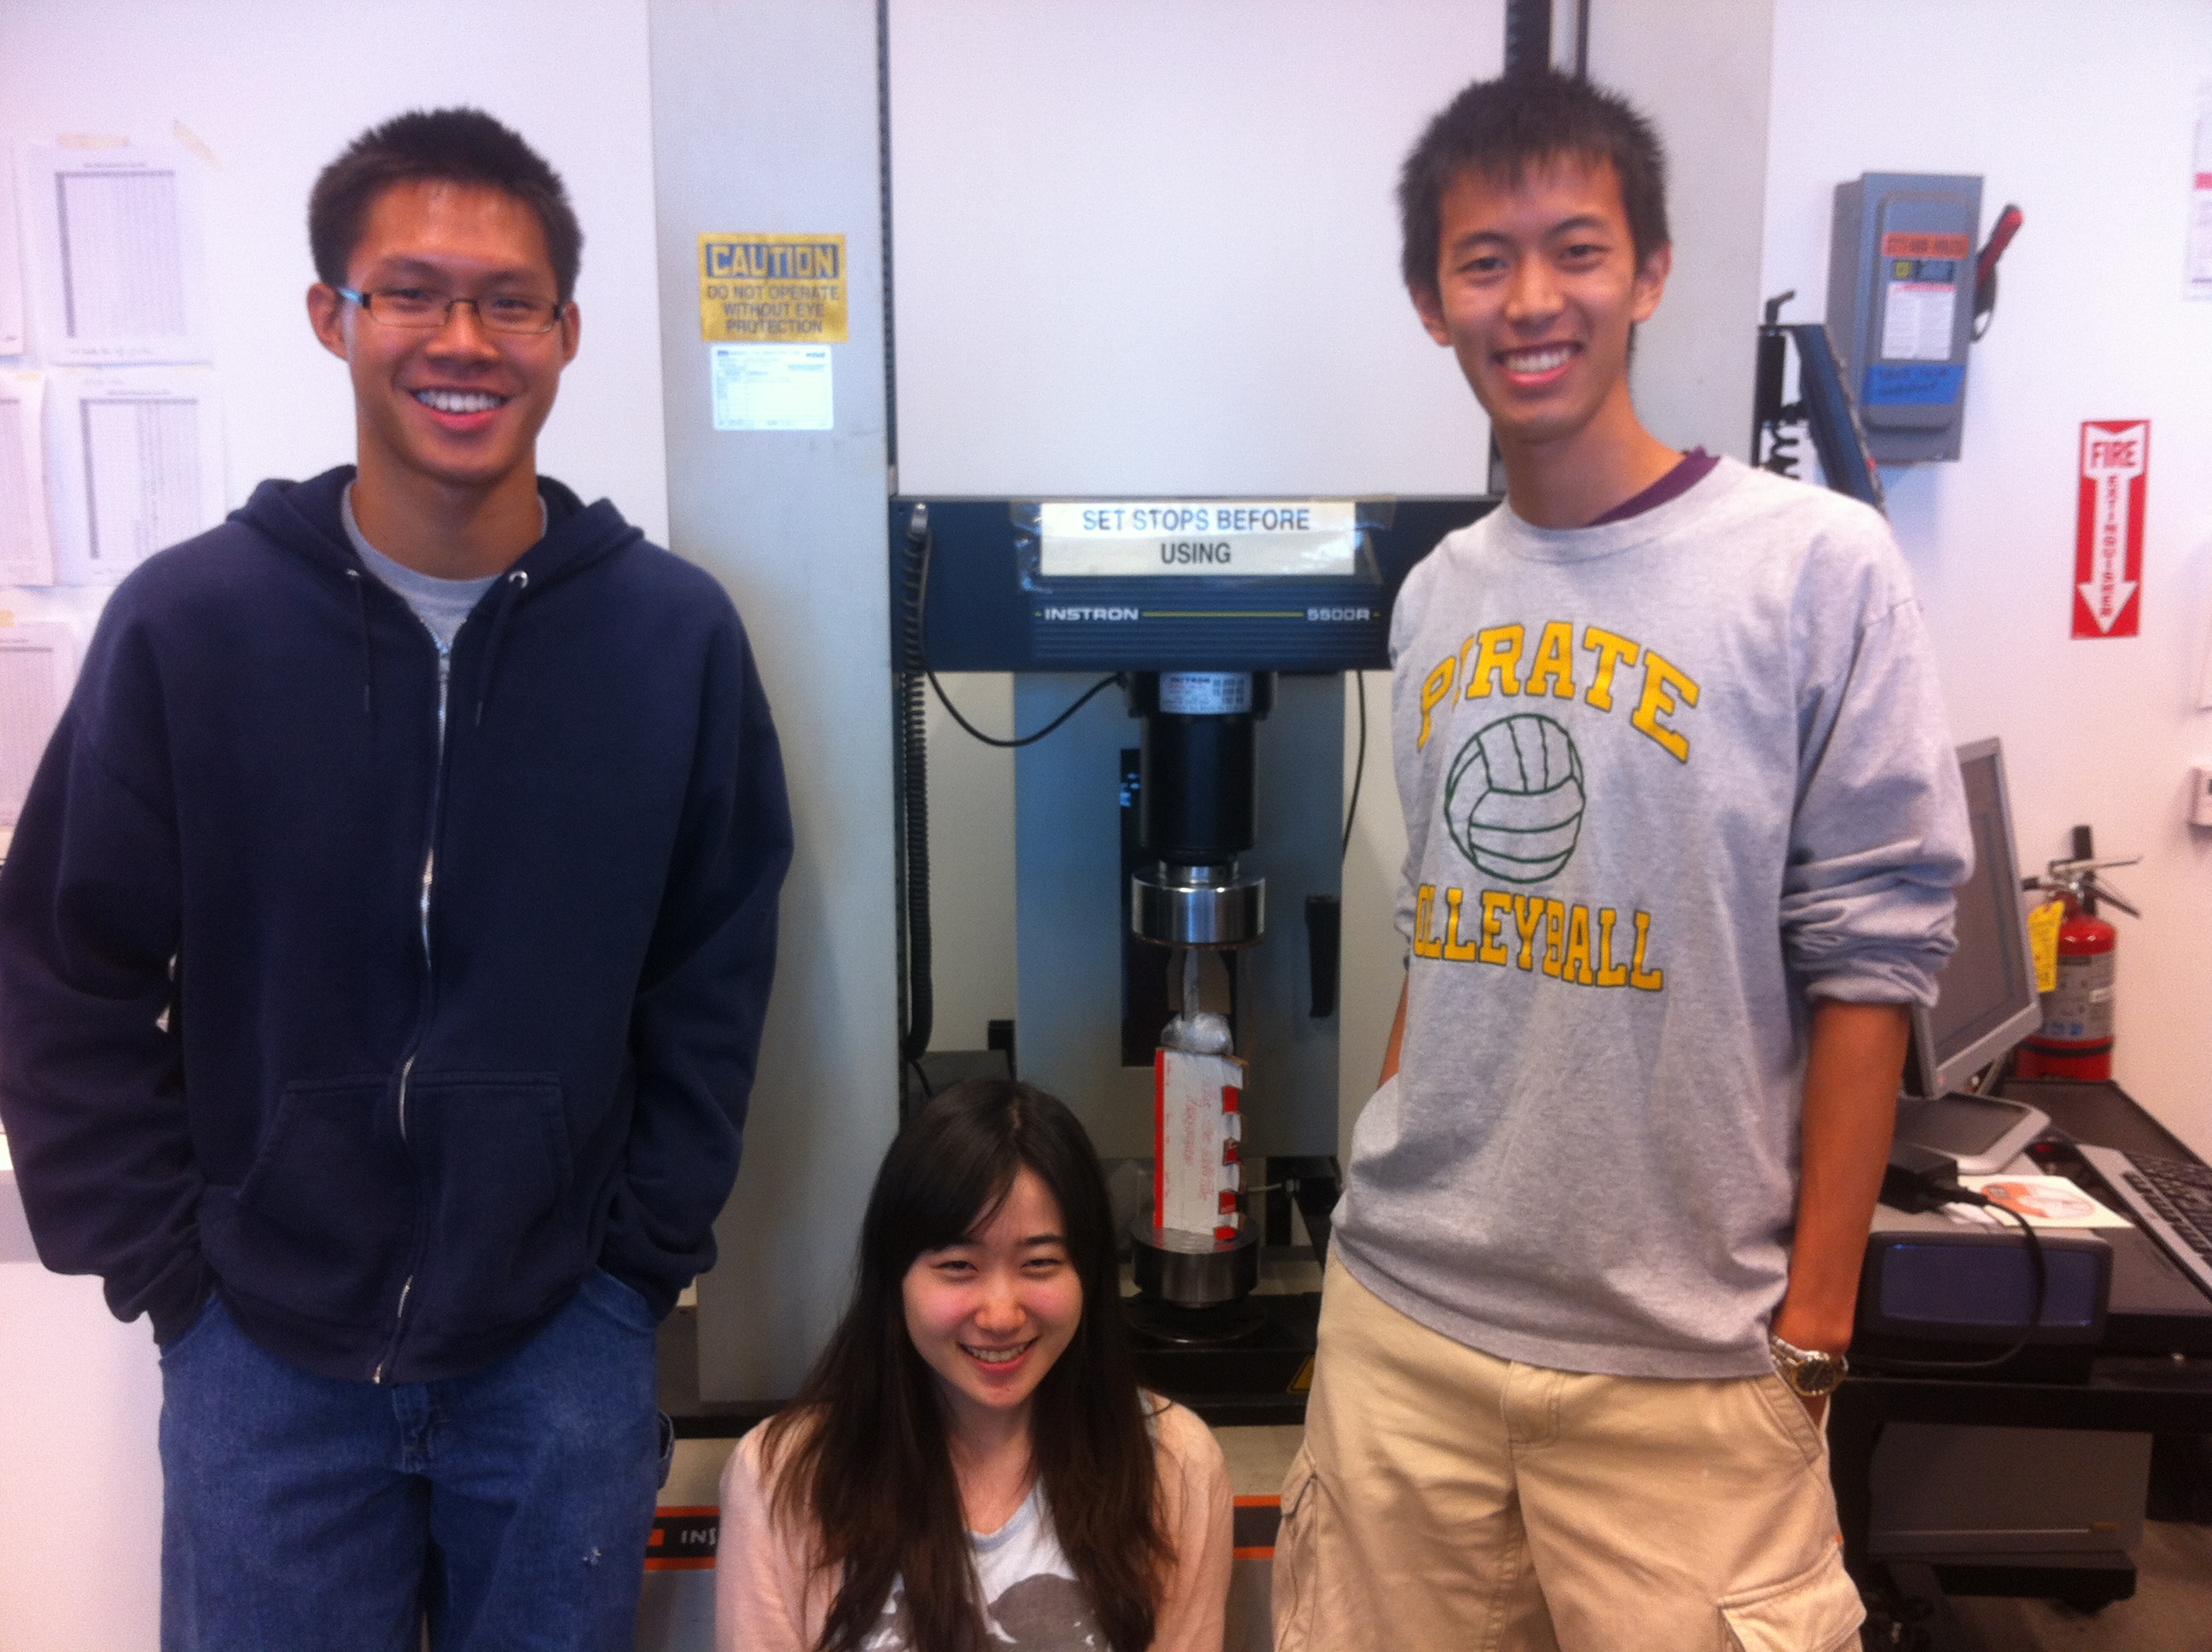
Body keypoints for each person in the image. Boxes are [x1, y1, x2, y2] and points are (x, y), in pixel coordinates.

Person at [0, 108, 791, 1650]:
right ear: (333, 315)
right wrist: (174, 1278)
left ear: (566, 332)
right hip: (261, 1362)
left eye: (509, 301)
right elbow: (62, 969)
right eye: (412, 293)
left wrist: (632, 1274)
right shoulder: (190, 625)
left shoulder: (670, 639)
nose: (463, 341)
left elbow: (714, 974)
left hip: (558, 1348)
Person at [1273, 70, 1971, 1652]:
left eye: (1575, 249)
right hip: (1407, 1341)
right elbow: (1443, 929)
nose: (1531, 300)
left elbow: (1872, 965)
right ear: (1430, 302)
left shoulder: (1815, 569)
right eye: (1483, 261)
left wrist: (1813, 1332)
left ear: (1649, 271)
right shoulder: (1437, 595)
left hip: (1685, 1380)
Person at [717, 1079, 1232, 1652]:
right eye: (959, 1266)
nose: (1001, 1315)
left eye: (1039, 1263)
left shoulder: (1175, 1466)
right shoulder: (780, 1478)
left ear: (1088, 1276)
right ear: (895, 1277)